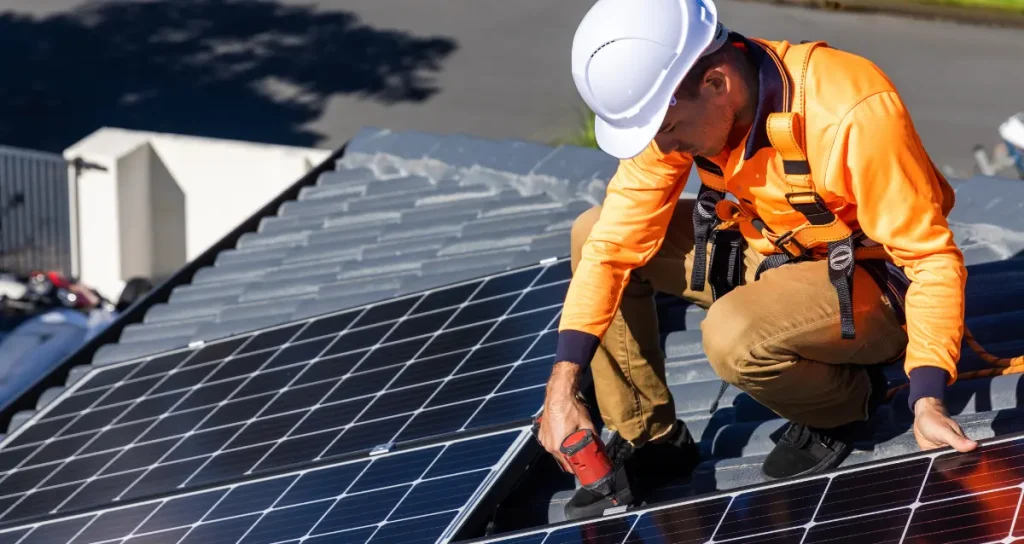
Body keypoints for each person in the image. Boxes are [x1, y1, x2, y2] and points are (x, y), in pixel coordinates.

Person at [537, 0, 980, 520]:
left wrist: (926, 397)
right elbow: (610, 247)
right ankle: (651, 438)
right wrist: (563, 383)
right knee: (591, 232)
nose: (662, 144)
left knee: (732, 334)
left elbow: (929, 260)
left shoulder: (850, 109)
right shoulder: (678, 112)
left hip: (874, 285)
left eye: (669, 126)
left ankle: (844, 404)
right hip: (776, 252)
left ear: (717, 83)